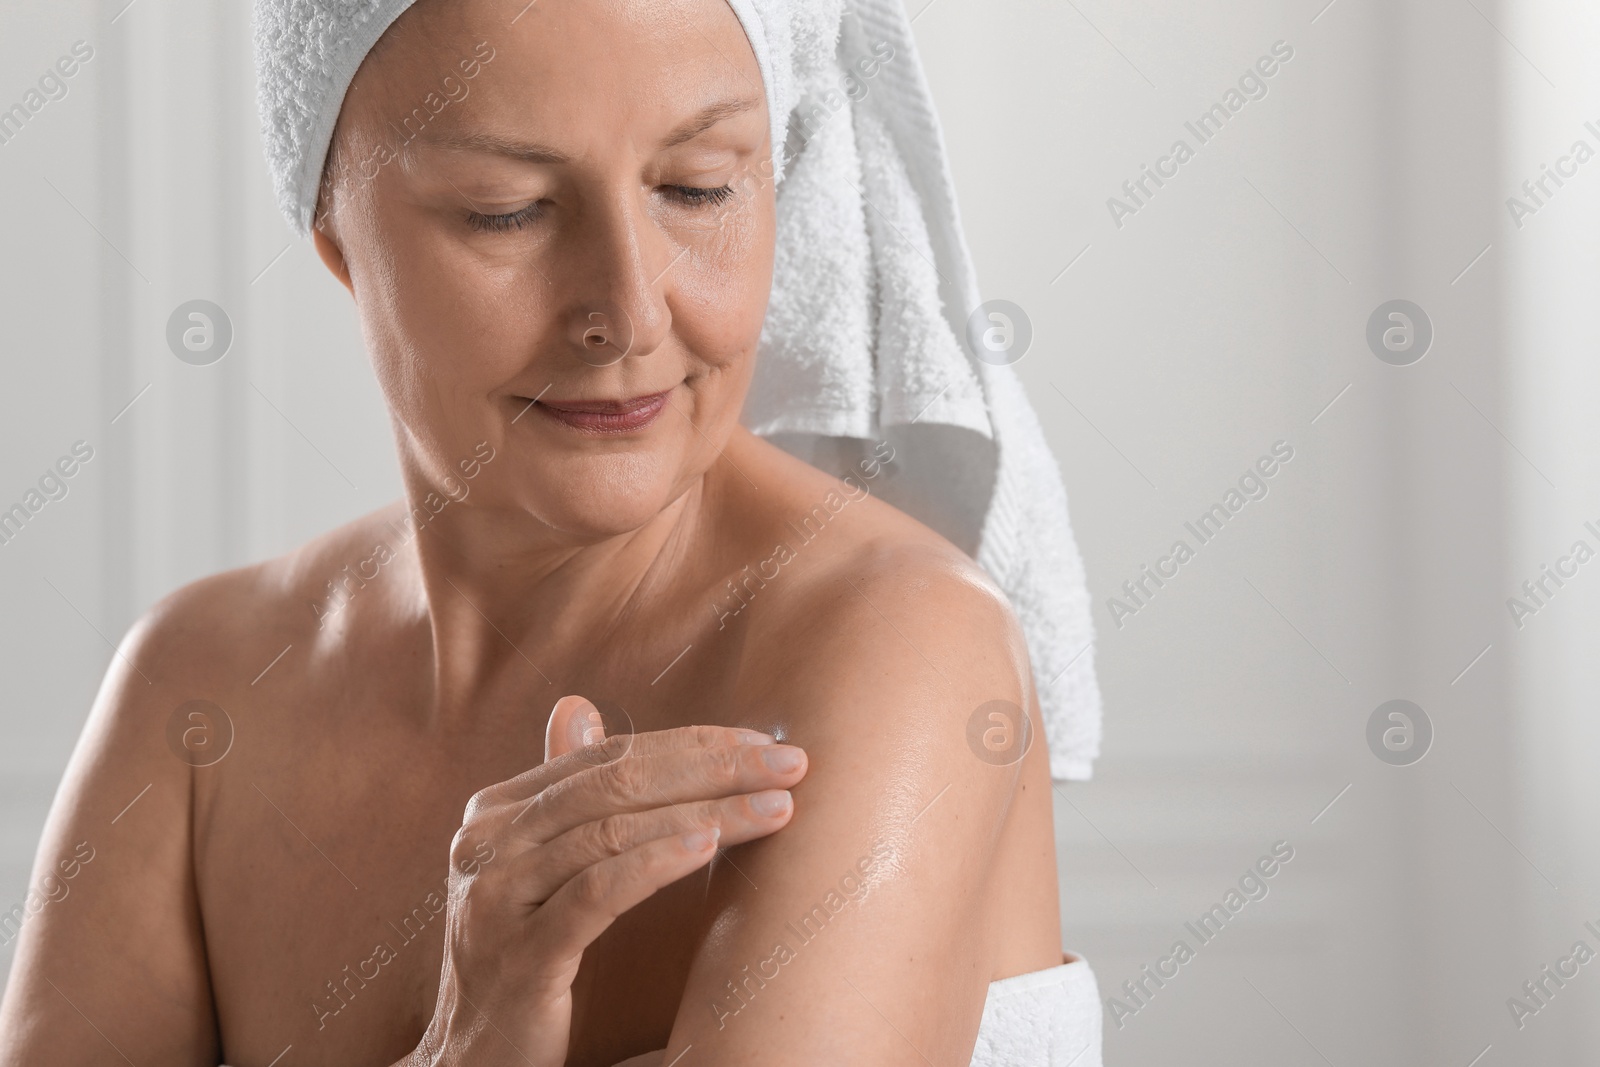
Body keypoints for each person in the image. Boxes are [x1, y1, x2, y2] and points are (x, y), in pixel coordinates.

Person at [0, 0, 1095, 1063]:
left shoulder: (899, 646)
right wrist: (466, 1041)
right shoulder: (199, 687)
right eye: (506, 209)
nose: (629, 309)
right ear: (335, 232)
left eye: (697, 187)